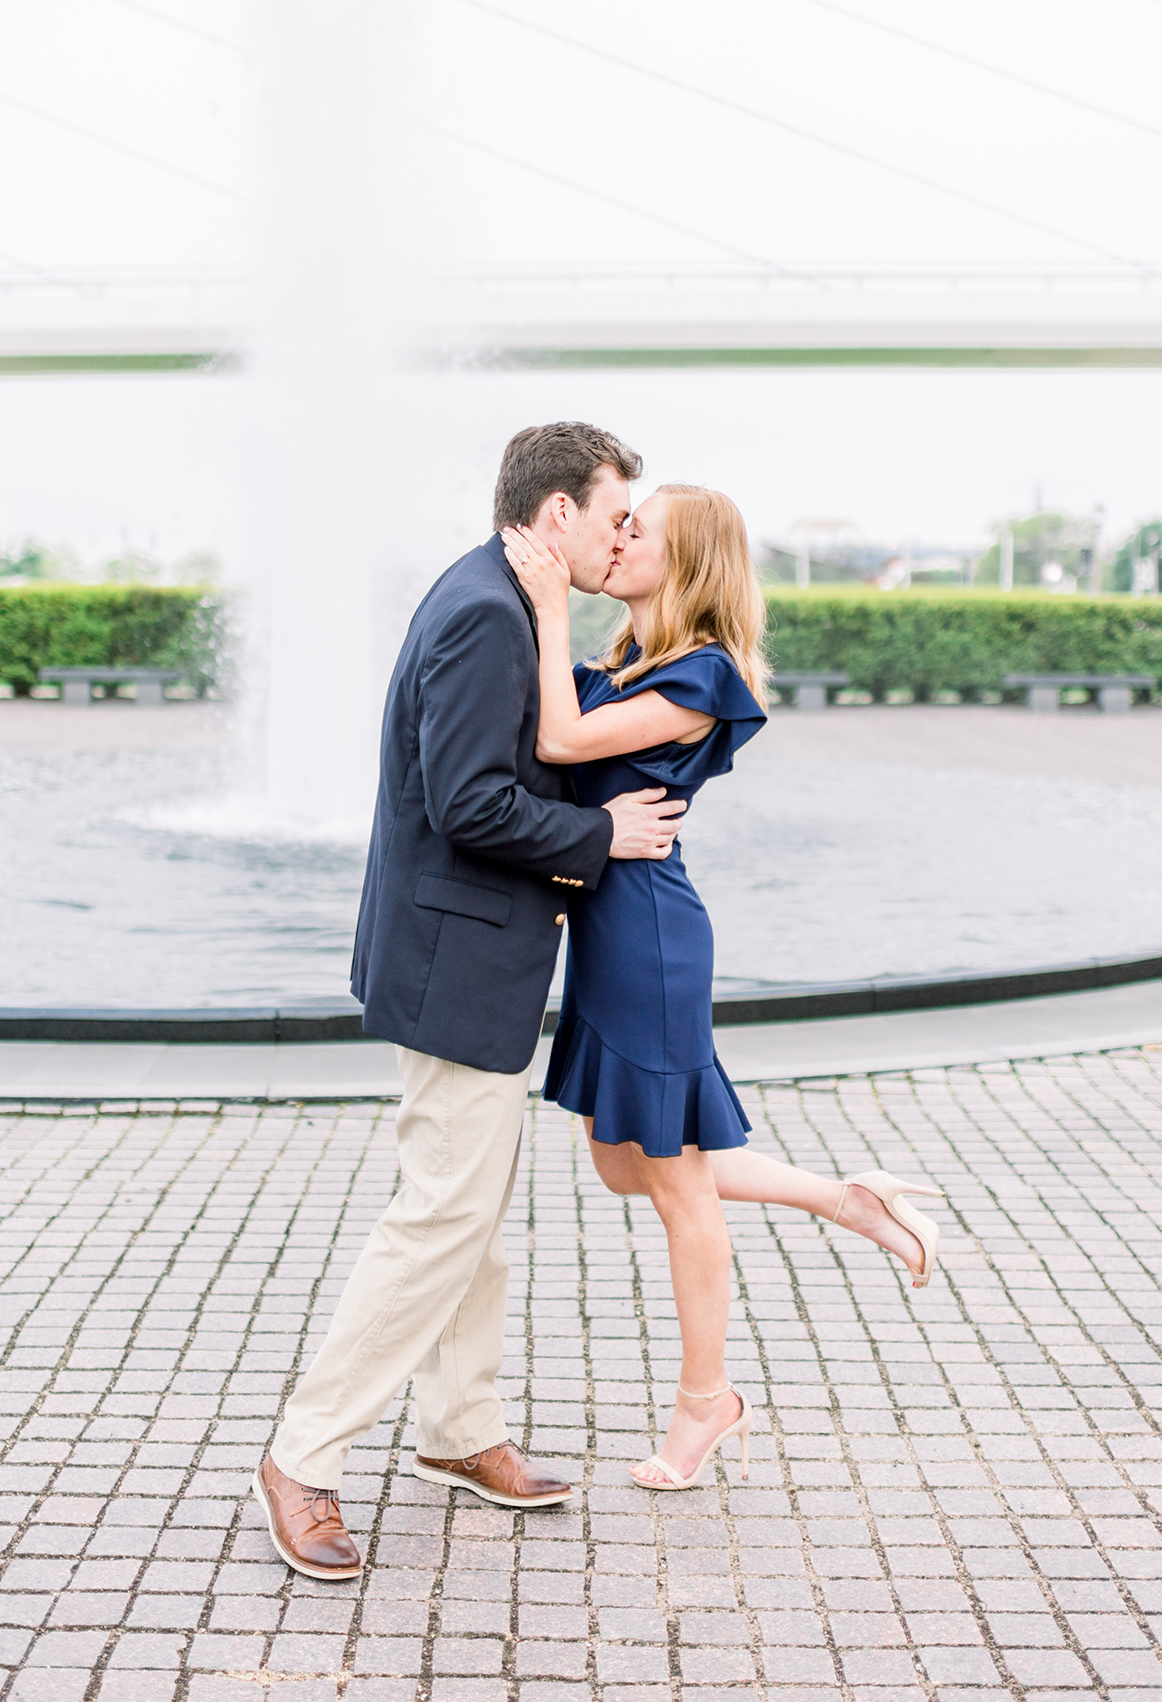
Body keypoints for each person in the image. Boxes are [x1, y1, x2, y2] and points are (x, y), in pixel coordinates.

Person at [253, 422, 688, 1579]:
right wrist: (604, 834)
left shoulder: (496, 597)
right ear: (557, 515)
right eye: (611, 515)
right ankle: (303, 1454)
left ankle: (457, 1433)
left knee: (469, 1214)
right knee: (443, 1216)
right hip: (456, 965)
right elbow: (467, 804)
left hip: (466, 957)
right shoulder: (487, 616)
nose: (620, 535)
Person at [501, 484, 945, 1493]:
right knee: (628, 1167)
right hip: (610, 930)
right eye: (617, 524)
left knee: (676, 1184)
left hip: (649, 936)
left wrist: (547, 604)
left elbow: (561, 743)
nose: (616, 539)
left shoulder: (702, 674)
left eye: (635, 530)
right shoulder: (624, 663)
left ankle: (706, 1405)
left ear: (687, 560)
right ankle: (849, 1197)